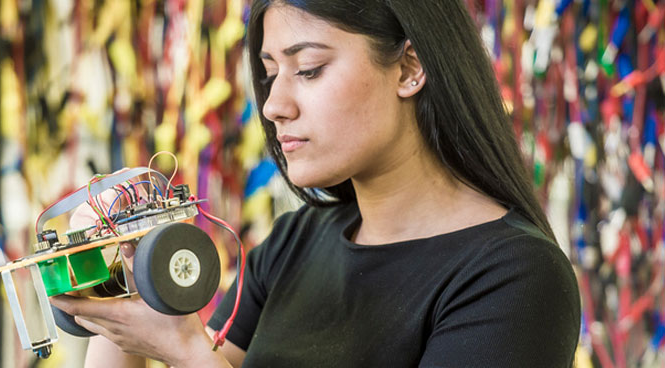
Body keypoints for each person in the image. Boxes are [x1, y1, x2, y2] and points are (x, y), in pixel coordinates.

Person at [51, 0, 582, 367]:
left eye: (307, 69)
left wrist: (188, 351)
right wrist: (117, 282)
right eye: (269, 73)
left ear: (408, 69)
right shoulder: (293, 243)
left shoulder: (515, 277)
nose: (274, 105)